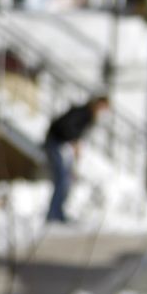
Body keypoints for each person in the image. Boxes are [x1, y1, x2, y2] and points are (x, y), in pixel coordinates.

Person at [44, 95, 109, 224]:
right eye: (103, 108)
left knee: (66, 179)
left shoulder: (87, 114)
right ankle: (53, 214)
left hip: (62, 144)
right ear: (98, 104)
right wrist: (74, 141)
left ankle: (58, 213)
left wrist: (76, 143)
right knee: (62, 179)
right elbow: (67, 126)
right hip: (55, 142)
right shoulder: (83, 112)